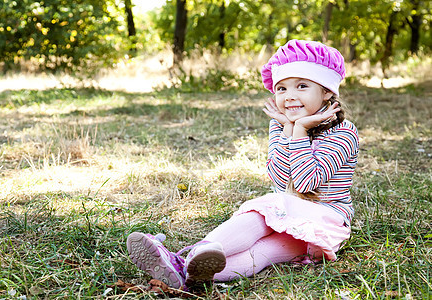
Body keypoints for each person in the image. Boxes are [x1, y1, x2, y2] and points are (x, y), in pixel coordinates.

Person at [126, 39, 359, 290]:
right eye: (281, 89)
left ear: (326, 91)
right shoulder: (281, 123)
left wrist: (299, 130)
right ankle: (183, 271)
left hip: (325, 222)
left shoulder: (343, 132)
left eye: (301, 86)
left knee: (264, 250)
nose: (289, 96)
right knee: (258, 220)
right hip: (286, 209)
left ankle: (178, 261)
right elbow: (280, 181)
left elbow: (304, 184)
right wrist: (287, 129)